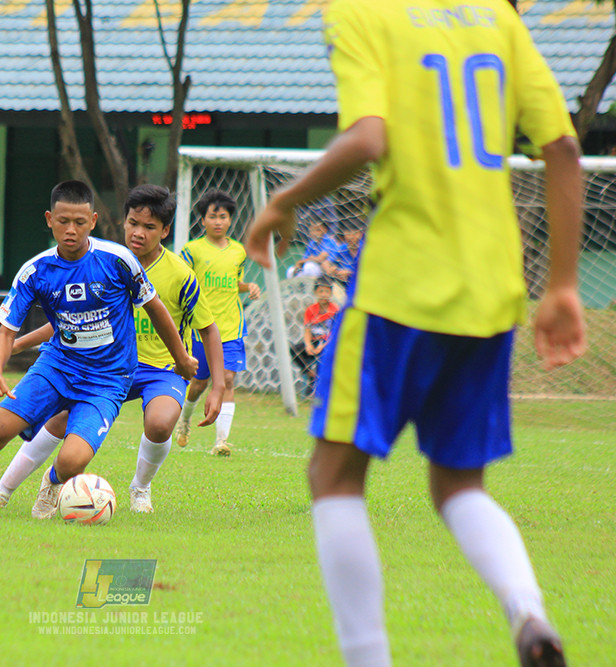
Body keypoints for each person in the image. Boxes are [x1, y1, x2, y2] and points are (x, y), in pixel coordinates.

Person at [245, 1, 585, 665]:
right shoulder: (497, 17)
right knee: (460, 484)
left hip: (398, 288)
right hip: (490, 290)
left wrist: (284, 200)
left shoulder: (361, 14)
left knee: (335, 474)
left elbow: (368, 139)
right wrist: (565, 285)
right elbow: (564, 147)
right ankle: (529, 613)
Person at [0, 181, 197, 519]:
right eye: (63, 221)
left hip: (107, 380)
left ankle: (53, 483)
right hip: (55, 367)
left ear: (93, 220)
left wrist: (181, 358)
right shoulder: (35, 271)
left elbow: (156, 309)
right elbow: (7, 330)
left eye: (80, 222)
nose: (71, 230)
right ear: (49, 219)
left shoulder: (119, 260)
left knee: (72, 461)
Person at [175, 189, 261, 457]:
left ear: (230, 220)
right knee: (199, 384)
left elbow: (234, 283)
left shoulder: (239, 251)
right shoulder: (192, 250)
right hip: (201, 328)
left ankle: (221, 441)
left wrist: (249, 287)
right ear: (203, 221)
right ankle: (185, 420)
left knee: (226, 379)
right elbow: (181, 281)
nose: (218, 222)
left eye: (223, 217)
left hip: (232, 328)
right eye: (212, 217)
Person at [293, 277, 339, 396]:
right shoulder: (311, 310)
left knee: (324, 357)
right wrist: (308, 345)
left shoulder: (335, 311)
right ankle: (310, 375)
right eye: (321, 291)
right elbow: (307, 330)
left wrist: (323, 346)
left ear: (331, 293)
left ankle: (317, 388)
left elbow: (335, 334)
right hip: (314, 342)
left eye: (327, 292)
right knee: (295, 350)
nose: (324, 295)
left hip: (329, 343)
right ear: (315, 293)